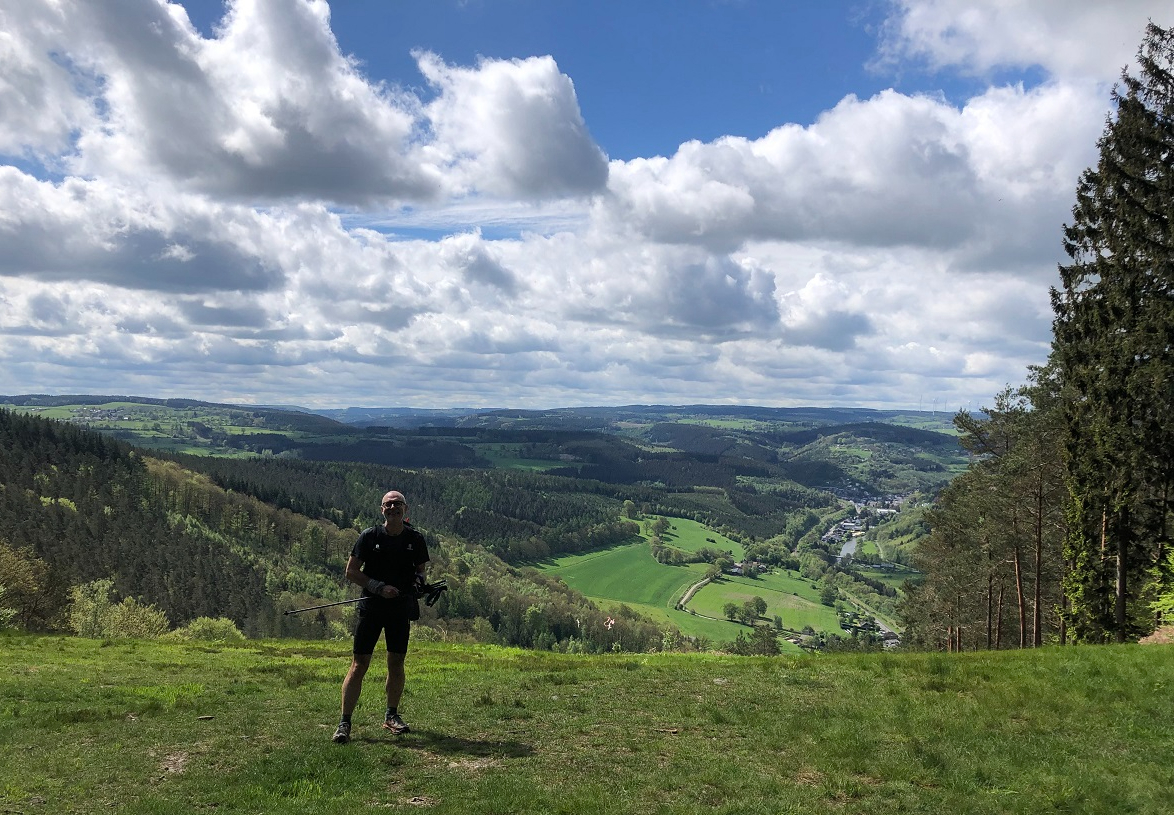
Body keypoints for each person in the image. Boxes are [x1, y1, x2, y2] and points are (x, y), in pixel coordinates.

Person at [332, 490, 429, 744]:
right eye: (389, 504)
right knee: (359, 665)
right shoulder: (369, 536)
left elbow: (421, 571)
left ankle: (391, 716)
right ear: (382, 509)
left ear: (405, 509)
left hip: (400, 609)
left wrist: (419, 585)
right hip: (371, 608)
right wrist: (378, 587)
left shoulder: (416, 539)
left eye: (398, 504)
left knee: (396, 663)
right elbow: (351, 572)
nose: (393, 507)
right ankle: (344, 722)